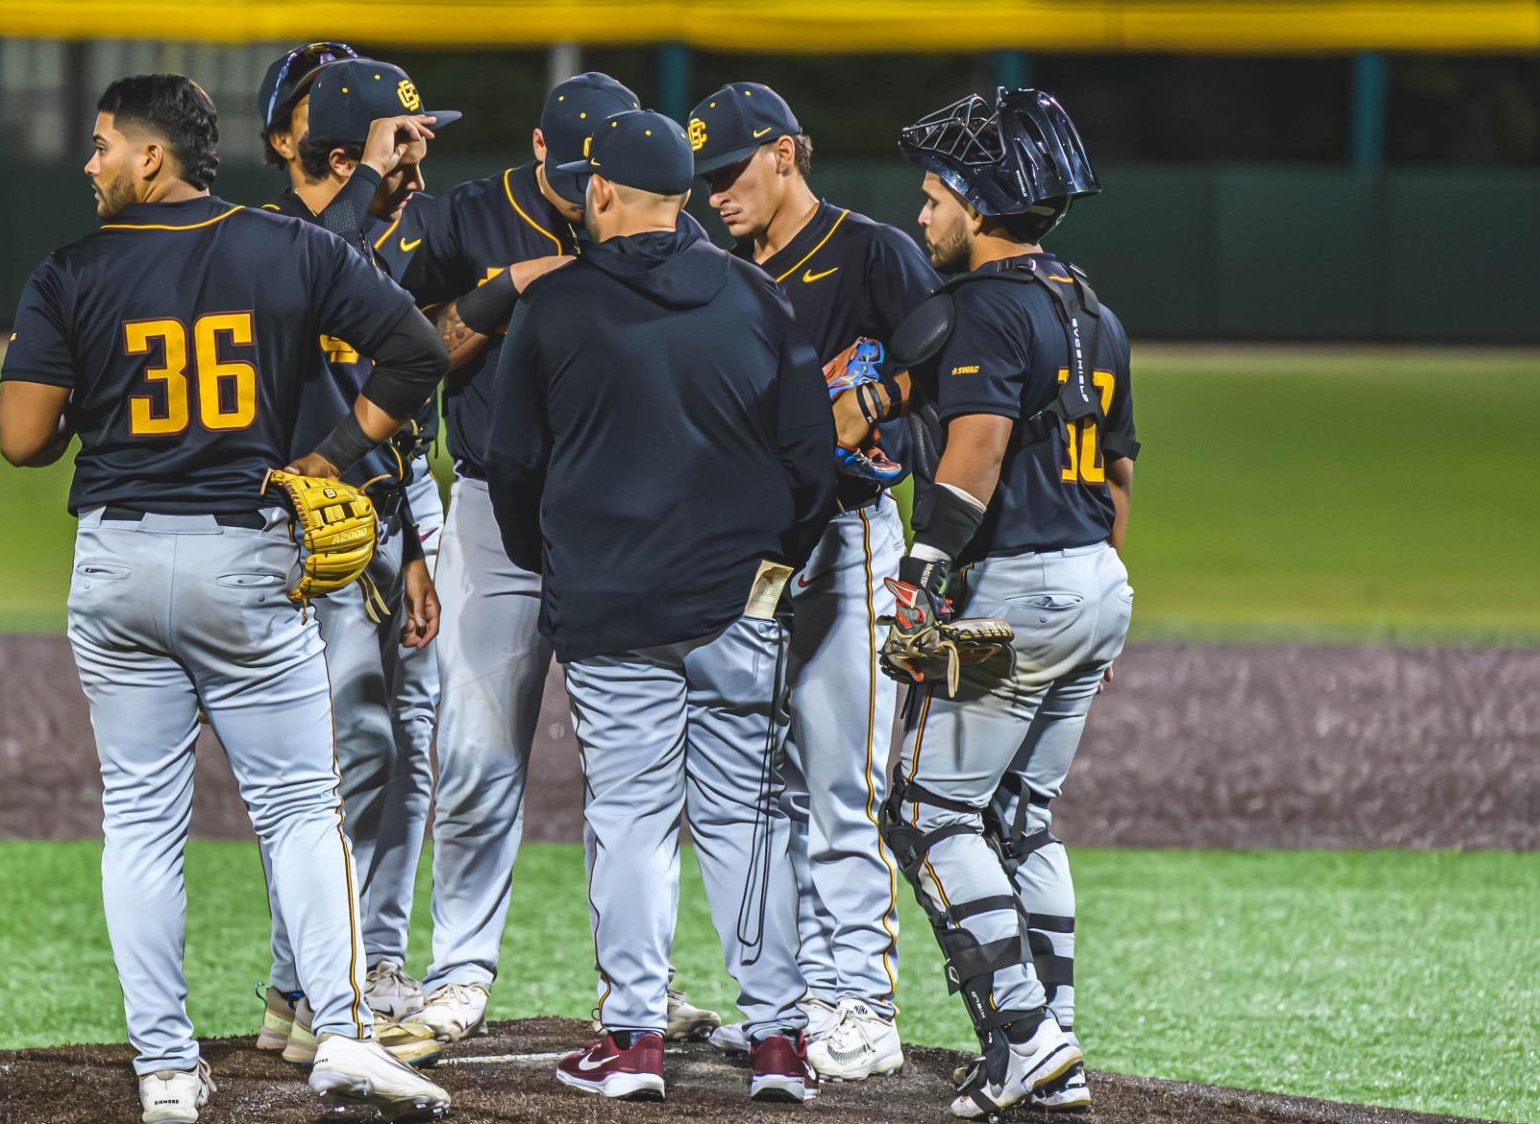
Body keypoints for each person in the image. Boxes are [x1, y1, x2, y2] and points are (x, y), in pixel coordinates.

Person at [0, 73, 451, 1123]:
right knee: (297, 806)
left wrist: (80, 411)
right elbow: (415, 351)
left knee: (141, 822)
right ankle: (336, 1029)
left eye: (104, 144)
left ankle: (162, 1068)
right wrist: (330, 460)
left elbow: (24, 438)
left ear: (151, 157)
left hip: (114, 563)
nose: (91, 161)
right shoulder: (290, 247)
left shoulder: (69, 271)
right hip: (243, 556)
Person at [483, 108, 839, 1104]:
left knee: (632, 816)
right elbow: (812, 461)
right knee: (745, 815)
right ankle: (776, 1041)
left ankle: (633, 1039)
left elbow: (510, 462)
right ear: (682, 196)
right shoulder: (756, 296)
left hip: (608, 604)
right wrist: (775, 564)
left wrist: (543, 559)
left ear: (598, 191)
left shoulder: (553, 308)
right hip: (736, 603)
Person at [394, 72, 718, 1045]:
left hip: (621, 524)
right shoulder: (463, 222)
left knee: (631, 762)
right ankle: (456, 972)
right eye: (576, 173)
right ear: (541, 155)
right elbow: (400, 357)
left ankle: (640, 980)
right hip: (497, 512)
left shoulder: (668, 233)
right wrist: (500, 294)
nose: (591, 194)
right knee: (477, 744)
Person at [863, 87, 1137, 1118]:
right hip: (1092, 578)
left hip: (1018, 582)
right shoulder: (1089, 305)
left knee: (925, 810)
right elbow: (1116, 475)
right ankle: (1047, 1039)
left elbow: (973, 450)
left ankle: (1027, 1037)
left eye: (932, 196)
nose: (922, 214)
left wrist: (918, 578)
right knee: (1019, 816)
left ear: (976, 206)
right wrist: (1094, 605)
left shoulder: (985, 305)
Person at [688, 80, 940, 1081]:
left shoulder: (872, 248)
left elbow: (950, 360)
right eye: (703, 178)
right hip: (747, 552)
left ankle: (860, 1002)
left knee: (841, 779)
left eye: (730, 170)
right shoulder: (716, 272)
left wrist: (870, 402)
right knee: (761, 787)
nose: (715, 193)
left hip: (845, 537)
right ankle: (786, 1001)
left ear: (784, 154)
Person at [253, 48, 456, 1055]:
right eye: (398, 151)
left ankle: (334, 976)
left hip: (386, 515)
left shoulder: (367, 254)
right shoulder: (269, 244)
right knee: (343, 754)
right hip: (309, 534)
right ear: (340, 157)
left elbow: (399, 422)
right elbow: (302, 280)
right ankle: (329, 977)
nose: (417, 174)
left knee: (405, 749)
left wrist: (415, 543)